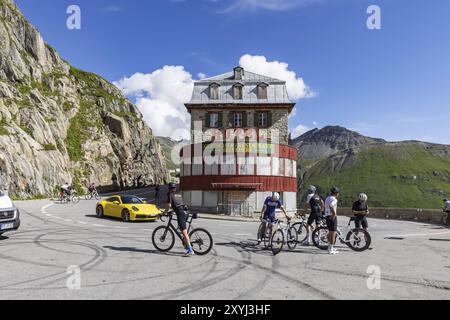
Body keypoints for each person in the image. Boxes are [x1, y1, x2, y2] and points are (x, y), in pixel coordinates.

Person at [163, 183, 194, 257]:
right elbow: (178, 205)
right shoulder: (178, 194)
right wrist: (172, 211)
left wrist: (164, 212)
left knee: (184, 232)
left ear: (169, 188)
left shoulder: (170, 194)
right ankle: (186, 243)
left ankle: (190, 250)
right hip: (186, 212)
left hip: (181, 214)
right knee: (181, 228)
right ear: (175, 188)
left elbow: (169, 205)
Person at [324, 187, 340, 255]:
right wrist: (334, 214)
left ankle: (330, 247)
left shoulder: (327, 198)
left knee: (330, 232)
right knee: (333, 233)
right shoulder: (334, 199)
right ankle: (331, 249)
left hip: (327, 216)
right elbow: (331, 205)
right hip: (332, 216)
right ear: (336, 193)